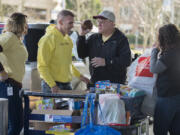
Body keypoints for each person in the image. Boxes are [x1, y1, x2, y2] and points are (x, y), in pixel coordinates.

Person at [37, 10, 90, 93]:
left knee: (70, 106)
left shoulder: (68, 39)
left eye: (73, 23)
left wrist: (81, 77)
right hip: (51, 86)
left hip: (67, 84)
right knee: (51, 107)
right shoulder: (47, 39)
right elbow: (42, 66)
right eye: (70, 23)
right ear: (61, 22)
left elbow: (68, 63)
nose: (72, 26)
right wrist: (52, 85)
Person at [77, 10, 131, 85]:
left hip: (114, 86)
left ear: (112, 23)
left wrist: (106, 62)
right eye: (98, 22)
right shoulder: (93, 38)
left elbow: (126, 60)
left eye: (102, 22)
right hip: (96, 83)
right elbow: (81, 54)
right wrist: (82, 36)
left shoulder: (121, 39)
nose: (99, 24)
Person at [0, 12, 28, 135]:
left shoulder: (16, 40)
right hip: (8, 85)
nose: (27, 26)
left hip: (15, 86)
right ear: (20, 25)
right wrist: (1, 71)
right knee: (15, 124)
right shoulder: (9, 37)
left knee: (16, 123)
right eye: (25, 23)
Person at [150, 24, 180, 135]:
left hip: (167, 97)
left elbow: (154, 69)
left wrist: (154, 51)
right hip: (177, 96)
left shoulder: (171, 54)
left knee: (159, 130)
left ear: (164, 38)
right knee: (176, 130)